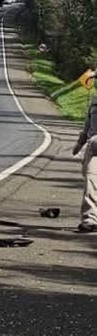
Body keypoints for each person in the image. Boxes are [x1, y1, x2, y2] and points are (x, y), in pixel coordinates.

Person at [76, 90, 97, 233]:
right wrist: (79, 144)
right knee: (90, 180)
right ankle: (90, 219)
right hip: (94, 146)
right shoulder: (94, 101)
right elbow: (87, 126)